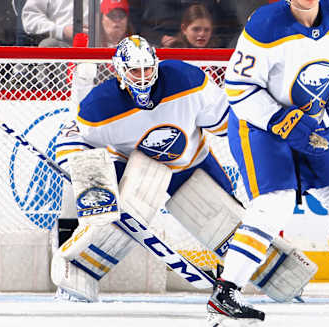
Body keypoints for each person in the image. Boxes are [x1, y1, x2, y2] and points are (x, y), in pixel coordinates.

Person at [208, 0, 329, 324]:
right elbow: (238, 89)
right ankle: (226, 294)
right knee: (274, 205)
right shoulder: (265, 25)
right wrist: (281, 120)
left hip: (312, 117)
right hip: (258, 124)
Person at [52, 35, 233, 302]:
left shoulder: (188, 81)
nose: (143, 77)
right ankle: (77, 275)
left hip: (191, 162)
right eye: (135, 71)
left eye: (147, 69)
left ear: (156, 65)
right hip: (130, 167)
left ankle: (231, 280)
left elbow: (227, 123)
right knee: (110, 222)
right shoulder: (100, 106)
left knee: (226, 220)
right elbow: (71, 138)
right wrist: (91, 180)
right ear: (119, 71)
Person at [21, 0, 88, 47]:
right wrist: (62, 31)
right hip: (61, 46)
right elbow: (30, 19)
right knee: (49, 45)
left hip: (95, 46)